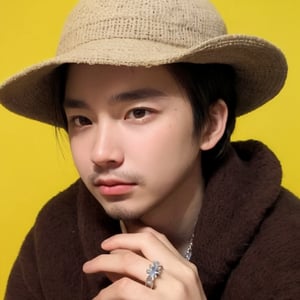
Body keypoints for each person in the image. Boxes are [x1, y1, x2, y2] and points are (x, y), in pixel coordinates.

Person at [1, 0, 299, 299]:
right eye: (82, 120)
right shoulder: (54, 234)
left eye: (138, 112)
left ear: (210, 124)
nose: (101, 153)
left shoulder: (288, 242)